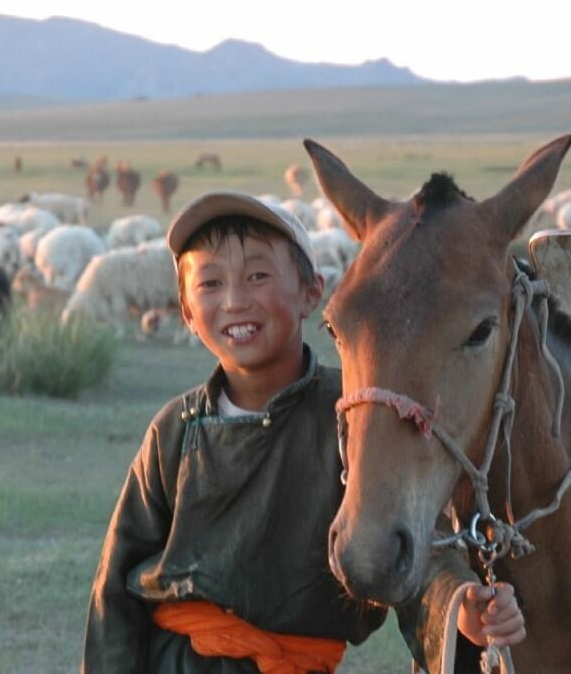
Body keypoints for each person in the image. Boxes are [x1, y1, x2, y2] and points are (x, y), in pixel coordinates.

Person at [82, 191, 526, 673]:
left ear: (311, 293)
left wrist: (457, 604)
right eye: (210, 283)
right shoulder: (175, 429)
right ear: (187, 311)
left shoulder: (351, 415)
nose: (235, 300)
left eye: (257, 276)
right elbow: (117, 586)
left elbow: (410, 544)